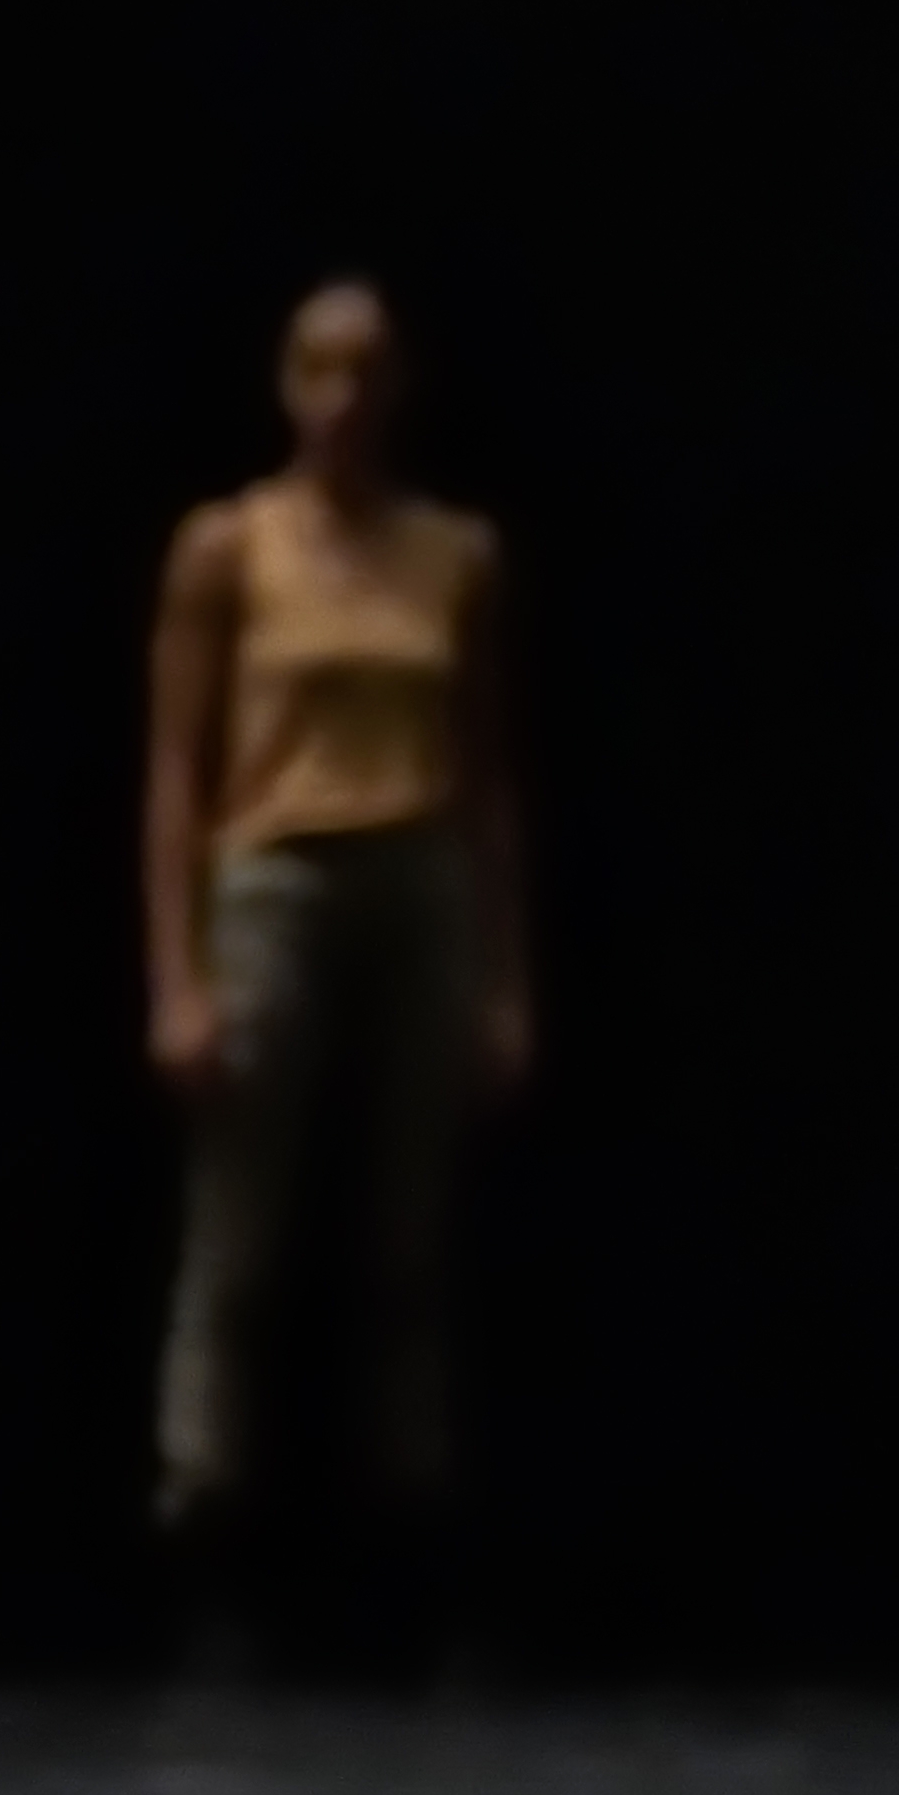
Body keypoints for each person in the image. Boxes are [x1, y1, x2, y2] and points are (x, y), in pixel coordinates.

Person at [141, 278, 529, 1650]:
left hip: (419, 874)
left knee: (406, 1227)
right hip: (278, 877)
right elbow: (178, 772)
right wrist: (177, 978)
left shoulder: (454, 554)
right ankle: (205, 1507)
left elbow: (489, 780)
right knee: (241, 1223)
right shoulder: (231, 545)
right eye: (317, 368)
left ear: (401, 385)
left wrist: (503, 976)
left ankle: (406, 1516)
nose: (342, 397)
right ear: (283, 382)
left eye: (366, 370)